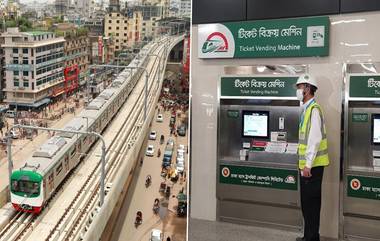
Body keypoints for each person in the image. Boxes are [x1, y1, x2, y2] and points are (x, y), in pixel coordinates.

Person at [295, 74, 329, 241]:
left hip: (312, 168)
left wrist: (307, 165)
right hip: (308, 167)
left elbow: (314, 140)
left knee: (311, 205)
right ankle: (309, 236)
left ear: (308, 89)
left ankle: (312, 238)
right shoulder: (307, 109)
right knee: (307, 204)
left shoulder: (314, 110)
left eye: (299, 87)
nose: (298, 90)